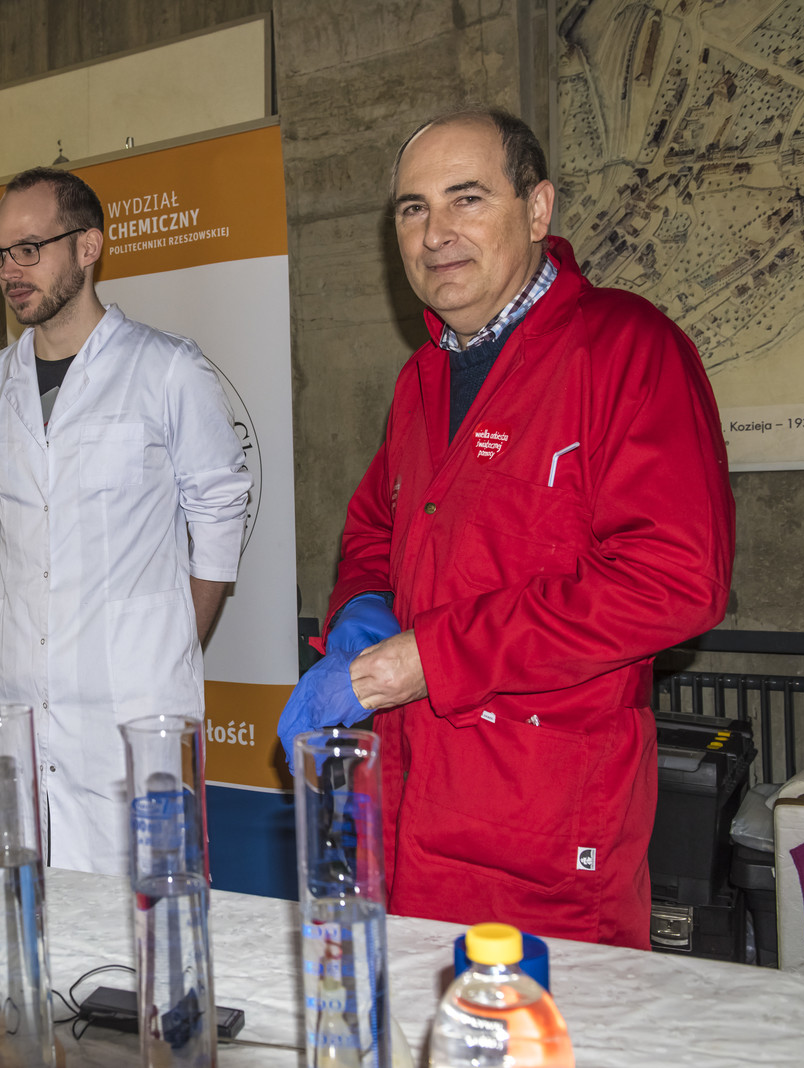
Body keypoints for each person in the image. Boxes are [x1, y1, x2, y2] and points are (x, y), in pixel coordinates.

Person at [278, 108, 735, 949]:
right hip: (405, 816)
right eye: (413, 209)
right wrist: (363, 609)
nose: (435, 233)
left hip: (546, 836)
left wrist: (424, 658)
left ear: (537, 210)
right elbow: (374, 526)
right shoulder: (423, 378)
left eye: (467, 198)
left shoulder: (626, 350)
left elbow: (673, 581)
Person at [0, 168, 251, 876]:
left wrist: (173, 640)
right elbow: (7, 515)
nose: (10, 270)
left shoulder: (167, 369)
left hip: (132, 700)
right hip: (16, 692)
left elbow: (220, 509)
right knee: (24, 896)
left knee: (142, 905)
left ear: (88, 247)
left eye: (29, 249)